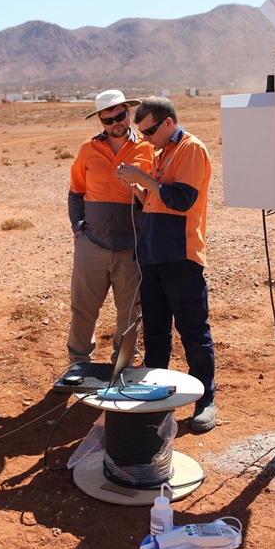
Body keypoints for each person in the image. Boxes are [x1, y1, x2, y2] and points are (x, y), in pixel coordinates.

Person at [116, 96, 216, 432]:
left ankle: (205, 399)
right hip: (153, 256)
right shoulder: (161, 153)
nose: (144, 138)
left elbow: (182, 199)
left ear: (168, 123)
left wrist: (146, 181)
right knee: (155, 332)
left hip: (180, 256)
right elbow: (156, 201)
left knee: (193, 332)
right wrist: (140, 186)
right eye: (141, 132)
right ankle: (153, 397)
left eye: (149, 131)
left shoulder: (191, 149)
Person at [67, 89, 154, 367]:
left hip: (131, 245)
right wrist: (78, 227)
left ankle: (124, 363)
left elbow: (155, 195)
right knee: (83, 307)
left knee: (130, 310)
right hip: (92, 244)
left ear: (129, 112)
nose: (116, 123)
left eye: (120, 116)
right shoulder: (88, 149)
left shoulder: (147, 148)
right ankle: (79, 362)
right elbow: (75, 190)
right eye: (109, 120)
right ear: (100, 121)